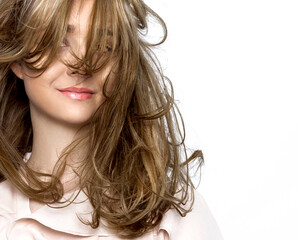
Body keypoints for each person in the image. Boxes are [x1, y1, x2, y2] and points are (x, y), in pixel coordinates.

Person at [0, 0, 223, 239]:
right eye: (59, 40)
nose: (82, 65)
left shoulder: (171, 216)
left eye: (104, 45)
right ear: (17, 57)